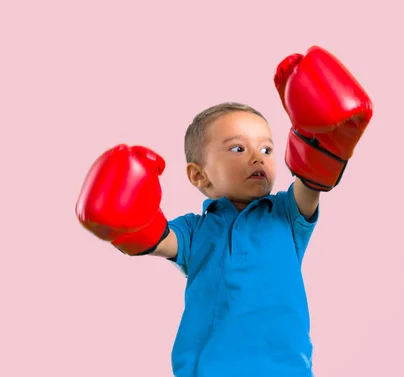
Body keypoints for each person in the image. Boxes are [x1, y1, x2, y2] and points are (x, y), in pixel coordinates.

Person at [75, 46, 373, 377]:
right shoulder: (194, 230)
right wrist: (123, 217)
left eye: (266, 148)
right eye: (237, 148)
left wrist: (324, 144)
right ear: (199, 176)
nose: (257, 157)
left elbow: (312, 180)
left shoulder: (287, 213)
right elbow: (153, 238)